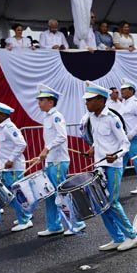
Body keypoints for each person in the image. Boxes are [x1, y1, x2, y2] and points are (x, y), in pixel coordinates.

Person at [80, 82, 137, 252]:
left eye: (89, 100)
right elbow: (99, 140)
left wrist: (116, 155)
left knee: (112, 202)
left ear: (100, 100)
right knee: (101, 204)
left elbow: (125, 144)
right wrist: (92, 149)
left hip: (113, 165)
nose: (86, 103)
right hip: (99, 166)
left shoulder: (112, 118)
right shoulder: (92, 118)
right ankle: (117, 237)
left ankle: (132, 236)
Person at [33, 84, 85, 237]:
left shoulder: (56, 116)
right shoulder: (47, 117)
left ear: (50, 101)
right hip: (51, 161)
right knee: (50, 195)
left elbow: (62, 136)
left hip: (58, 162)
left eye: (41, 100)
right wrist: (43, 155)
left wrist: (46, 149)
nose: (39, 103)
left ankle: (77, 223)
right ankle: (54, 225)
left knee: (61, 195)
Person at [0, 101, 33, 232]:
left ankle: (25, 220)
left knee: (13, 195)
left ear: (2, 115)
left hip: (14, 168)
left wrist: (11, 159)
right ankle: (25, 216)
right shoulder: (3, 128)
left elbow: (21, 144)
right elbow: (5, 152)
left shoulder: (9, 127)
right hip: (8, 168)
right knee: (14, 194)